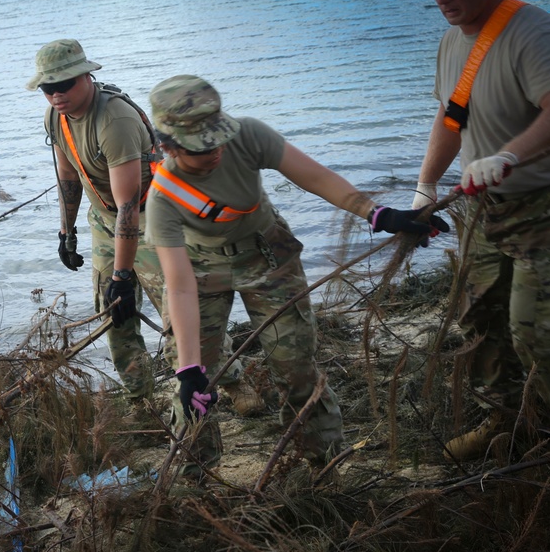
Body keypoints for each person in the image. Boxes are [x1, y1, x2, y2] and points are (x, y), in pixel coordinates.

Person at [144, 75, 448, 474]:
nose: (216, 151)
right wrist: (188, 370)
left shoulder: (248, 135)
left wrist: (379, 214)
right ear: (167, 146)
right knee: (195, 387)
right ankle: (196, 478)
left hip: (268, 256)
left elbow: (314, 176)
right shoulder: (162, 200)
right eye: (202, 148)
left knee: (296, 367)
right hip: (201, 269)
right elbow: (180, 286)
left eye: (218, 138)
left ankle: (322, 467)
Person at [26, 39, 264, 412]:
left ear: (87, 76)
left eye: (65, 84)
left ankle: (231, 383)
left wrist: (123, 274)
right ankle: (140, 399)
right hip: (105, 223)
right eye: (47, 87)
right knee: (114, 313)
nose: (56, 94)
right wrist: (66, 232)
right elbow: (68, 175)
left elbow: (129, 206)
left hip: (151, 223)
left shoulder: (114, 120)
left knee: (178, 316)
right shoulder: (55, 118)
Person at [410, 0, 550, 459]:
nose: (441, 0)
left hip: (543, 207)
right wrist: (425, 185)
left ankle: (548, 430)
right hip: (484, 213)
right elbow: (452, 117)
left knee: (536, 332)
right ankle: (507, 424)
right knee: (482, 320)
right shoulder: (453, 41)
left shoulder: (533, 33)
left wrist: (509, 156)